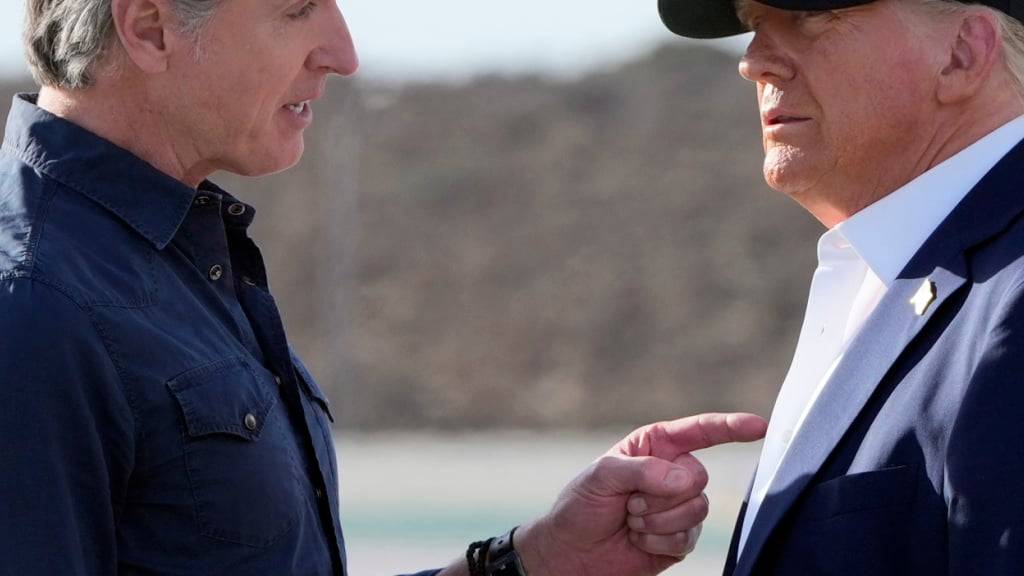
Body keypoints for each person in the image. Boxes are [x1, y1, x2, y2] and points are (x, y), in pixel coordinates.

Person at [0, 1, 769, 575]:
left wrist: (531, 562)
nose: (343, 53)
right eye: (297, 9)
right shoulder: (36, 305)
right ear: (150, 29)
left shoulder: (159, 265)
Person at [657, 0, 1024, 573]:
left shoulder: (1008, 290)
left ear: (961, 53)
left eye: (811, 15)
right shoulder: (888, 273)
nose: (753, 62)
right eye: (755, 25)